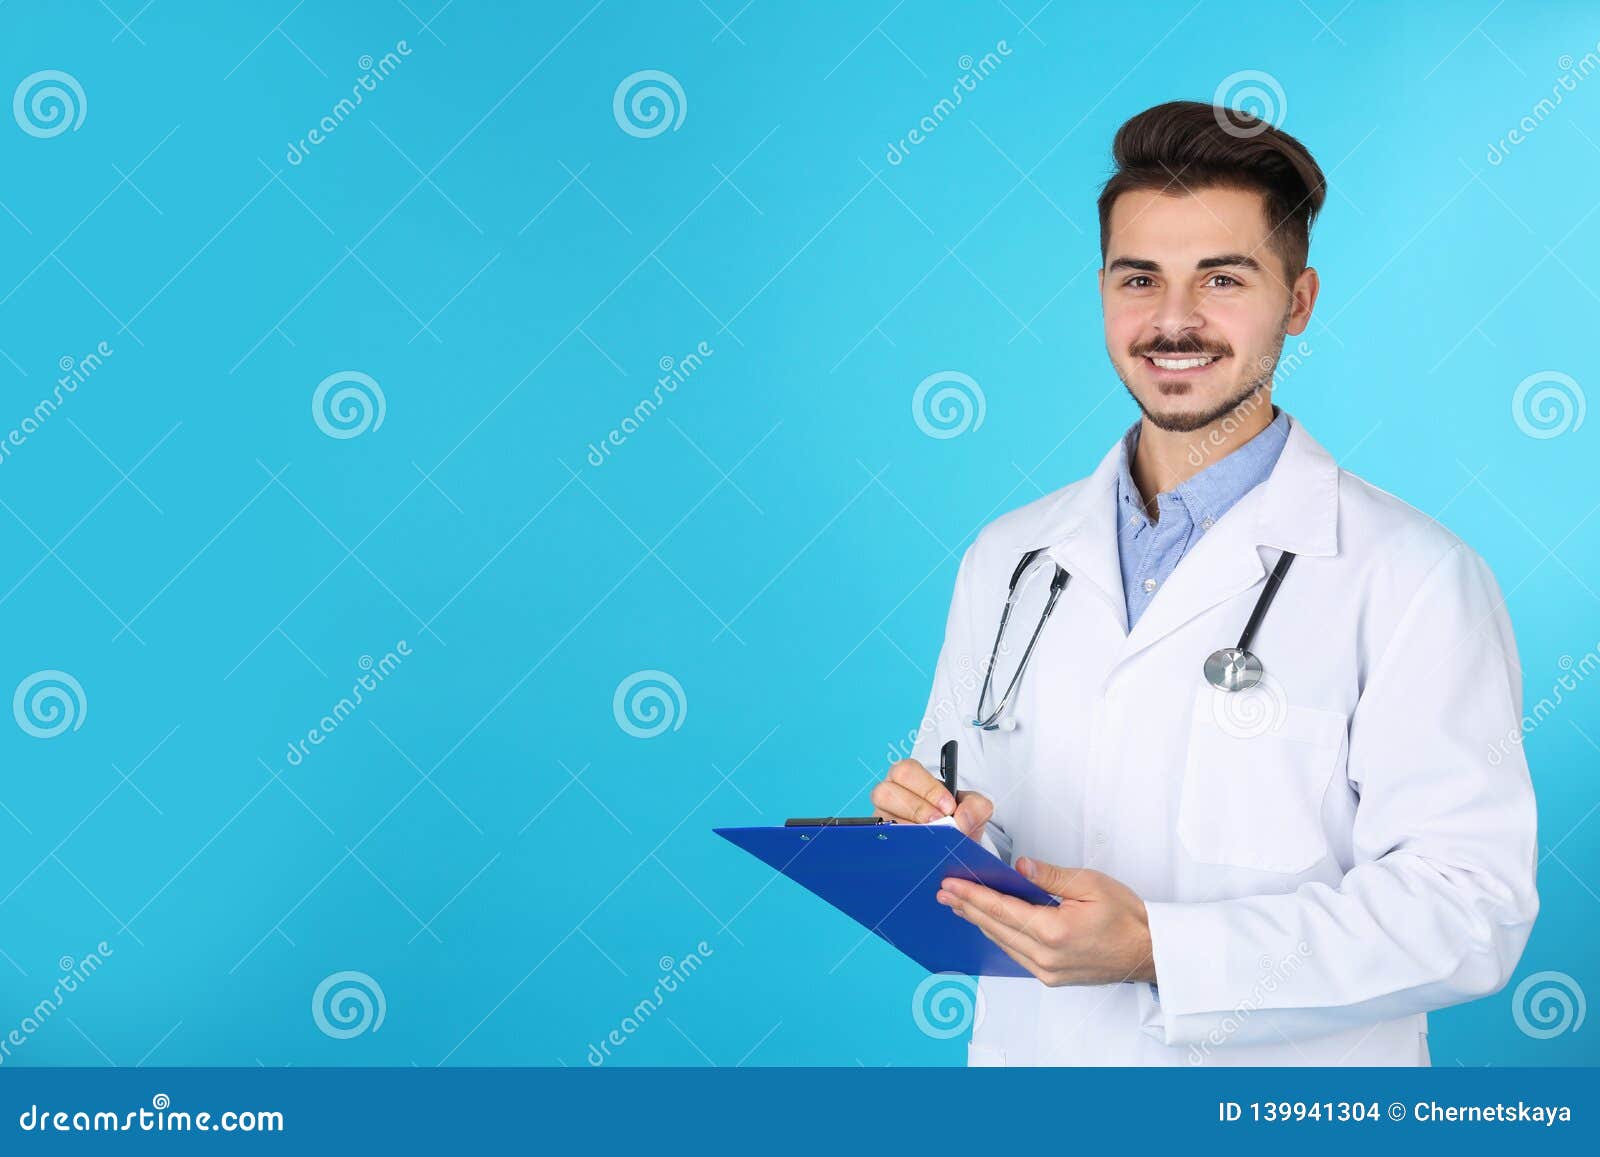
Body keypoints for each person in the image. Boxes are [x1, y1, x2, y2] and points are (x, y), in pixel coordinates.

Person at [870, 100, 1539, 1066]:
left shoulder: (1413, 577)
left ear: (1298, 301)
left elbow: (1469, 908)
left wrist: (1160, 950)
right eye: (1139, 278)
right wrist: (940, 841)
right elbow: (979, 814)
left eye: (1222, 279)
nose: (1173, 320)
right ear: (1102, 290)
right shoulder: (1012, 558)